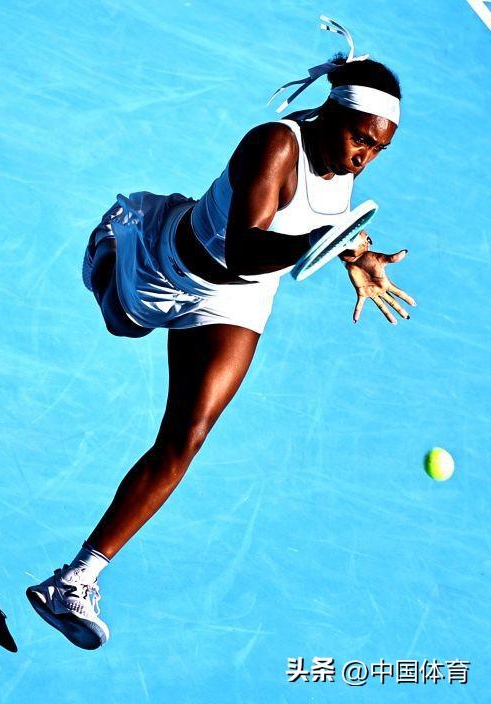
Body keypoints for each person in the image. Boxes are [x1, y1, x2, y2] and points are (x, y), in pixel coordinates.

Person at [26, 17, 416, 650]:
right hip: (170, 266)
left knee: (187, 435)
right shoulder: (275, 146)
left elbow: (312, 237)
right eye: (360, 140)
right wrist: (317, 242)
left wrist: (355, 252)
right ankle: (113, 245)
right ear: (332, 113)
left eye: (377, 150)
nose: (364, 158)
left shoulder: (346, 166)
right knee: (123, 322)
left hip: (237, 297)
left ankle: (74, 581)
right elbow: (243, 247)